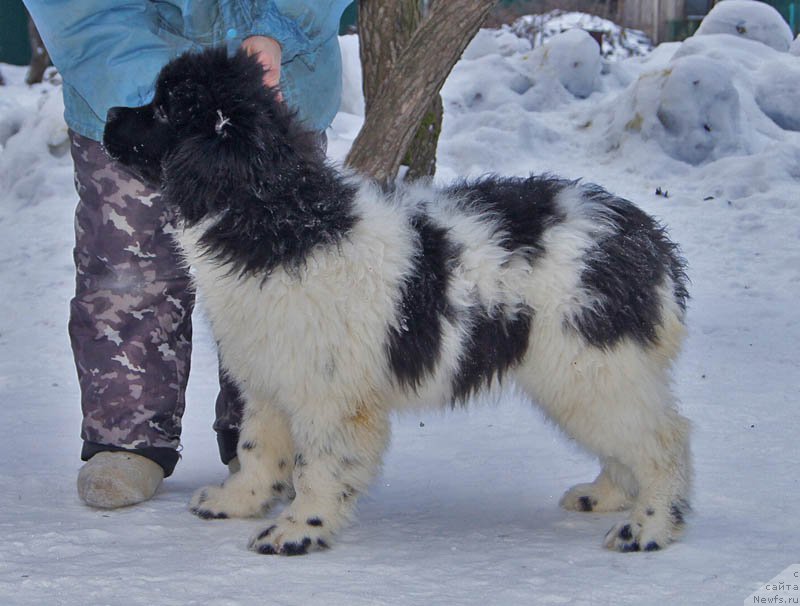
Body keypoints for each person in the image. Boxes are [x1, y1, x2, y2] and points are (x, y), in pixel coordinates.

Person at [22, 0, 353, 508]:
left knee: (279, 274)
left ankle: (269, 442)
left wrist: (278, 30)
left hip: (280, 78)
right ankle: (127, 438)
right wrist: (164, 104)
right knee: (128, 270)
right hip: (125, 73)